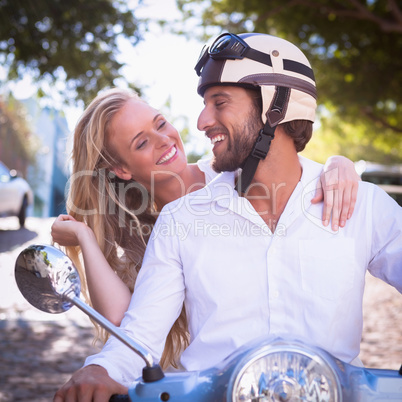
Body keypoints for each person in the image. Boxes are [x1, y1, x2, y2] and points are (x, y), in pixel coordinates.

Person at [54, 33, 401, 401]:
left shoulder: (360, 203)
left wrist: (341, 163)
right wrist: (100, 369)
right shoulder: (180, 219)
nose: (202, 121)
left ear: (275, 107)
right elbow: (139, 334)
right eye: (205, 104)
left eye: (219, 103)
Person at [51, 88, 359, 368]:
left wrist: (338, 164)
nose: (163, 140)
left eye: (160, 124)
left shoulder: (234, 173)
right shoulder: (139, 229)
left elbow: (294, 172)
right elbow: (126, 326)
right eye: (142, 142)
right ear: (121, 169)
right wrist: (85, 238)